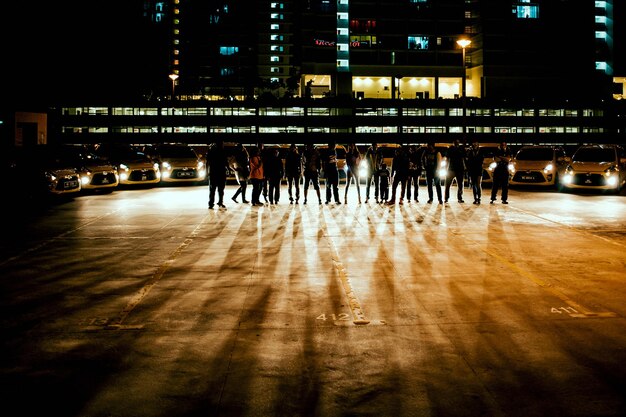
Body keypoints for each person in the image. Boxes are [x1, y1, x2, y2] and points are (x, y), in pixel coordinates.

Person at [205, 140, 229, 209]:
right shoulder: (223, 151)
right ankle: (220, 202)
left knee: (212, 189)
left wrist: (207, 172)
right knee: (221, 189)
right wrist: (228, 170)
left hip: (213, 173)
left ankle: (211, 203)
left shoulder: (211, 151)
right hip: (221, 172)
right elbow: (226, 162)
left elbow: (207, 163)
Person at [444, 139, 467, 203]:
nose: (456, 143)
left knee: (457, 184)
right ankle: (454, 198)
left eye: (457, 142)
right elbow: (447, 159)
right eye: (456, 142)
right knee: (456, 184)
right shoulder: (458, 148)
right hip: (454, 169)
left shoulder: (453, 148)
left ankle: (448, 198)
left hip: (456, 169)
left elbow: (463, 158)